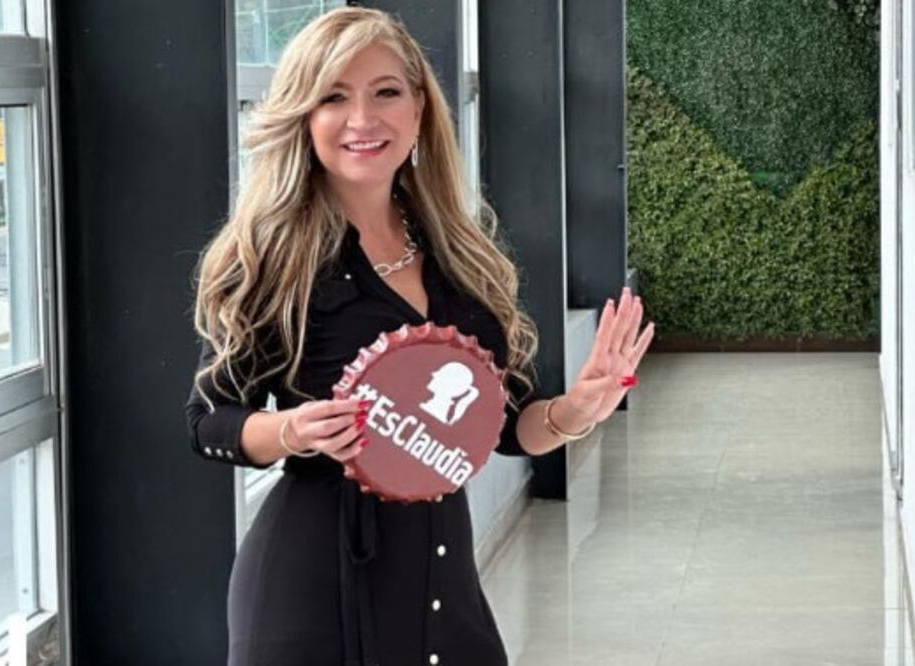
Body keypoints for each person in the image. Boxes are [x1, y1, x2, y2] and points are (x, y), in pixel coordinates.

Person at [184, 7, 655, 666]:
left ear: (420, 111)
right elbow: (209, 423)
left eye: (385, 92)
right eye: (334, 97)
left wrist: (575, 411)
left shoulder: (460, 256)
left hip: (441, 577)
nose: (361, 119)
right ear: (303, 116)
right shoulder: (271, 258)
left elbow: (508, 427)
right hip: (309, 589)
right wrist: (293, 430)